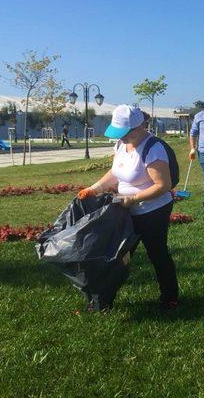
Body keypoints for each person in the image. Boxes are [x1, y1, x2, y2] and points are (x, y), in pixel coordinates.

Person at [78, 105, 179, 311]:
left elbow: (163, 185)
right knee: (116, 257)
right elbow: (116, 172)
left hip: (153, 211)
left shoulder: (154, 148)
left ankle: (170, 298)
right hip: (125, 209)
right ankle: (102, 301)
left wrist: (134, 198)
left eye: (124, 134)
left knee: (157, 254)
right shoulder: (121, 145)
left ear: (139, 127)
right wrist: (94, 188)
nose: (121, 138)